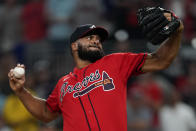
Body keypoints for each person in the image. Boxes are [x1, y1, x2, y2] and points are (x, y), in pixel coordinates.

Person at [8, 10, 184, 131]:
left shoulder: (116, 62)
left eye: (98, 39)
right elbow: (46, 113)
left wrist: (177, 32)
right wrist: (21, 91)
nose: (96, 41)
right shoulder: (63, 84)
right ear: (75, 45)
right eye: (90, 38)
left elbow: (161, 60)